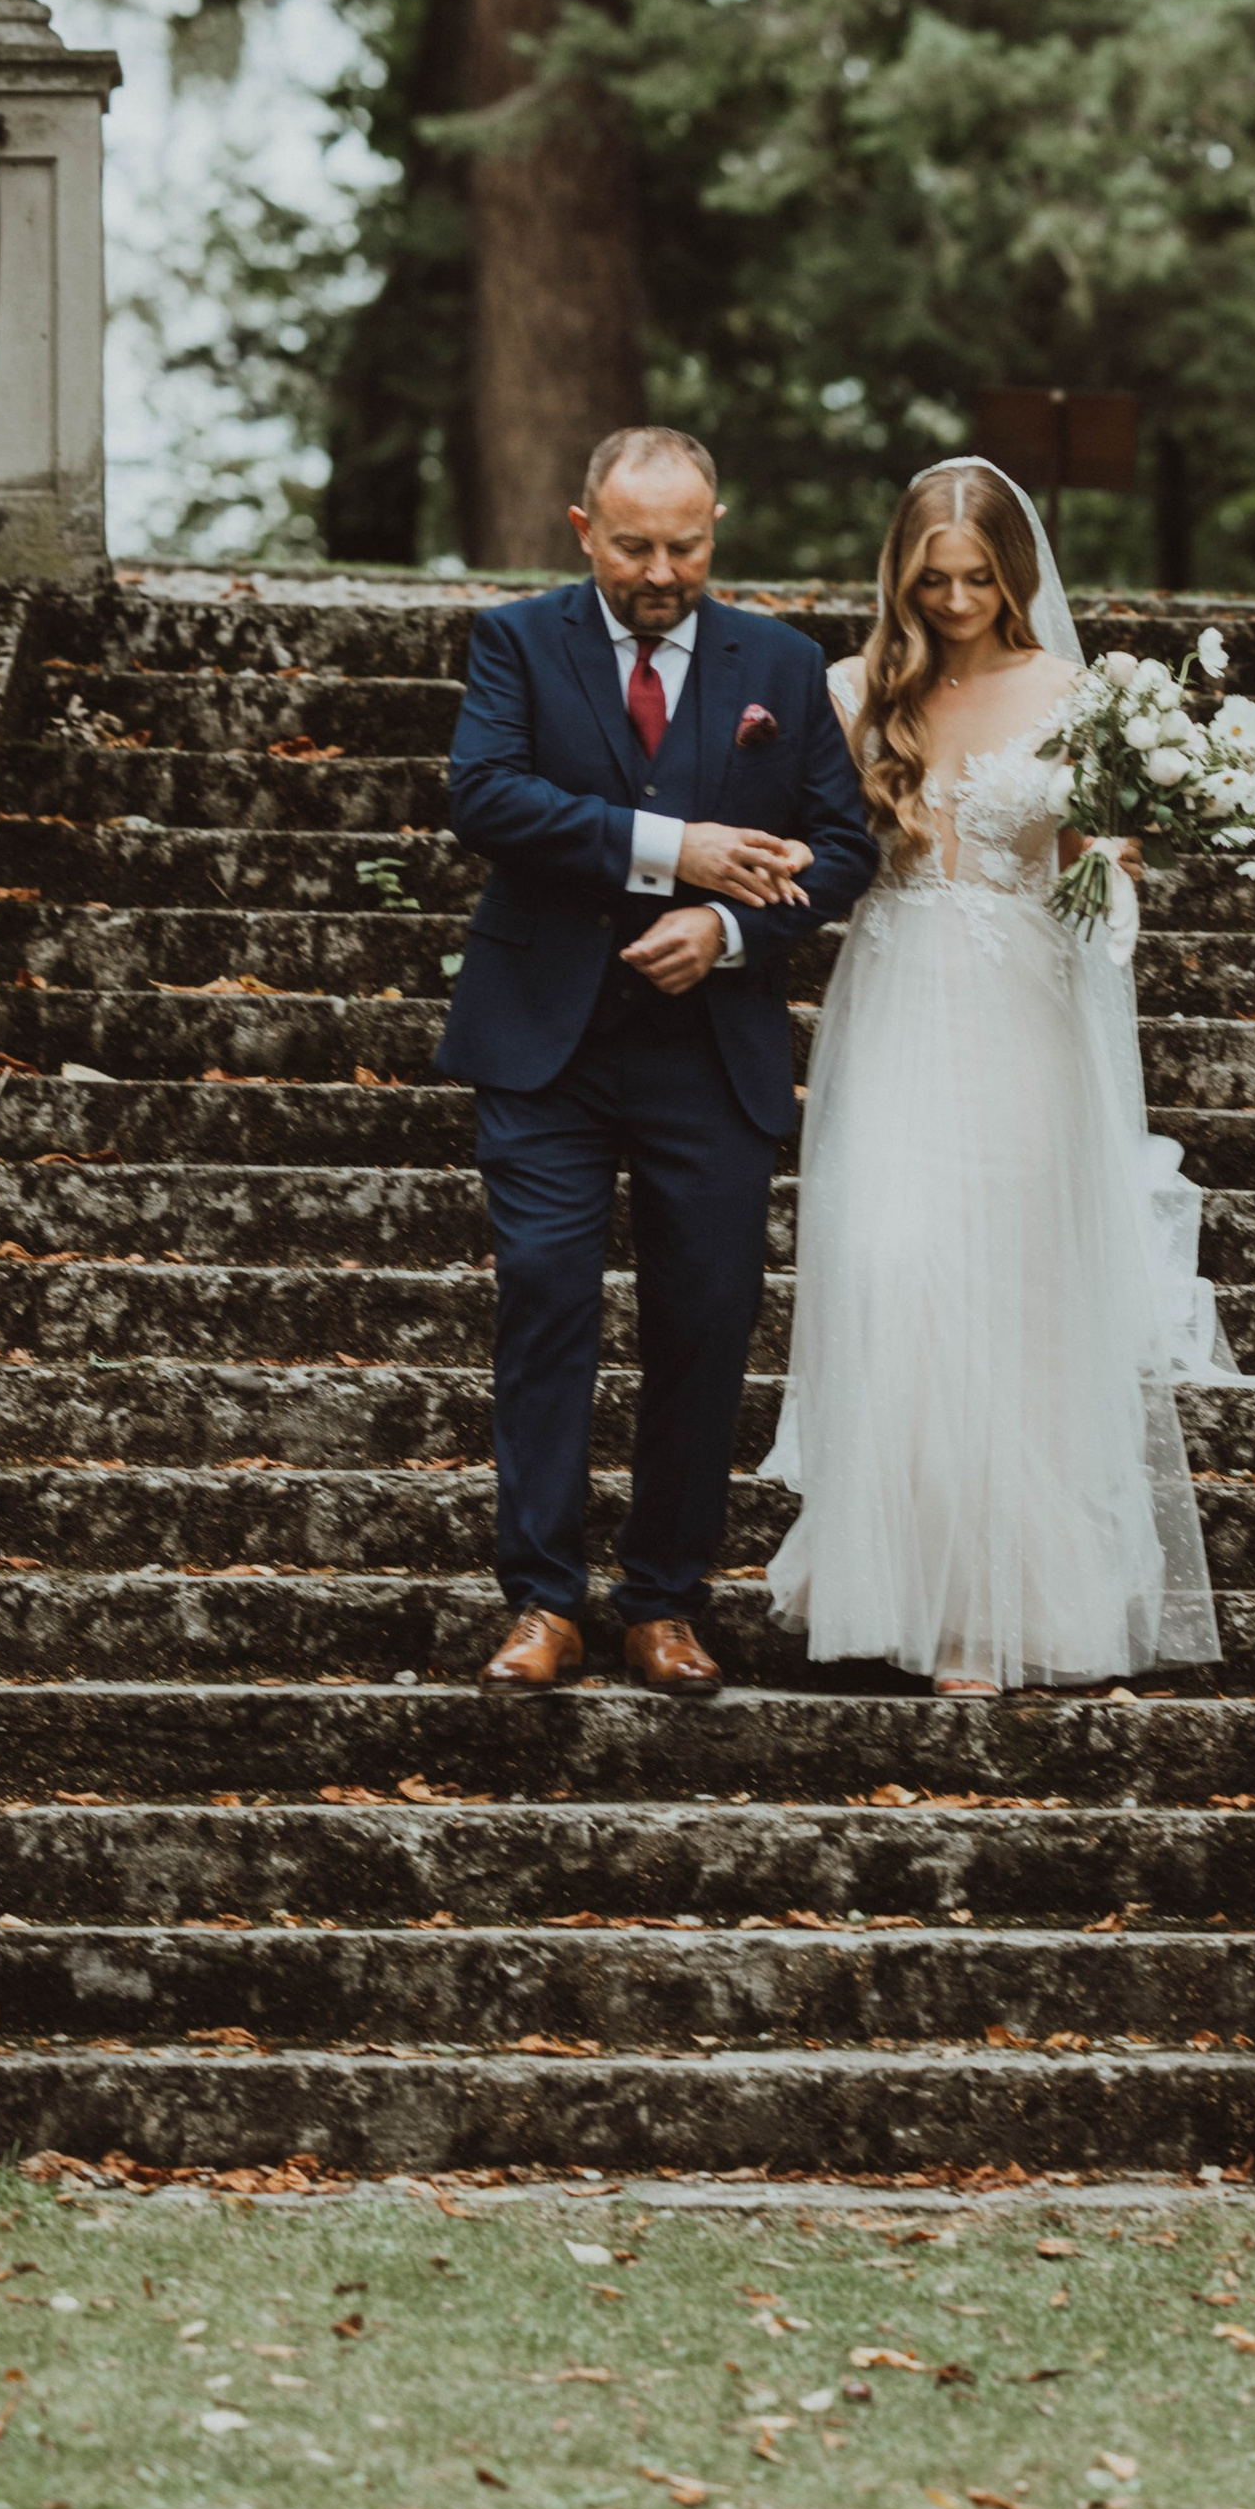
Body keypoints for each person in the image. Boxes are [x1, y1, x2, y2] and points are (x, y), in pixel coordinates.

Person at [763, 460, 1223, 1697]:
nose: (958, 599)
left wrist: (1120, 852)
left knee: (1004, 1286)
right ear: (900, 575)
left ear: (1013, 573)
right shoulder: (852, 689)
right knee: (891, 1258)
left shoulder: (1077, 694)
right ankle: (886, 1571)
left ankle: (993, 1607)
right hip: (897, 997)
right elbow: (805, 834)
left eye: (978, 577)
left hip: (1021, 1006)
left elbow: (1093, 857)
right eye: (934, 578)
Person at [437, 426, 879, 1693]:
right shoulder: (518, 641)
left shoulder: (783, 666)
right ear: (585, 533)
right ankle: (542, 1602)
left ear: (715, 530)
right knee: (545, 1302)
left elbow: (839, 851)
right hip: (546, 1047)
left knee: (704, 1322)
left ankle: (665, 1602)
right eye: (633, 546)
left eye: (685, 545)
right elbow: (488, 796)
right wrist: (670, 850)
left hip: (709, 1054)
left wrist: (732, 927)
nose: (661, 570)